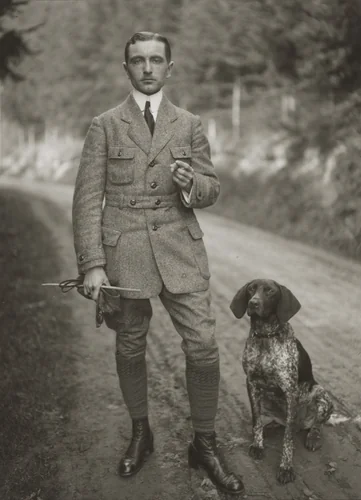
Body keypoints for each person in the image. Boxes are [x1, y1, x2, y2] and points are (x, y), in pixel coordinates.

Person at [72, 31, 244, 496]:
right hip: (123, 254)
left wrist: (192, 185)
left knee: (204, 345)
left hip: (180, 252)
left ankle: (204, 444)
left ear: (171, 68)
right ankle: (140, 432)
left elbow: (212, 188)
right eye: (137, 61)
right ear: (125, 68)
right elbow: (88, 200)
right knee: (130, 345)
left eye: (155, 60)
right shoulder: (104, 125)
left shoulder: (188, 123)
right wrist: (92, 263)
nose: (147, 68)